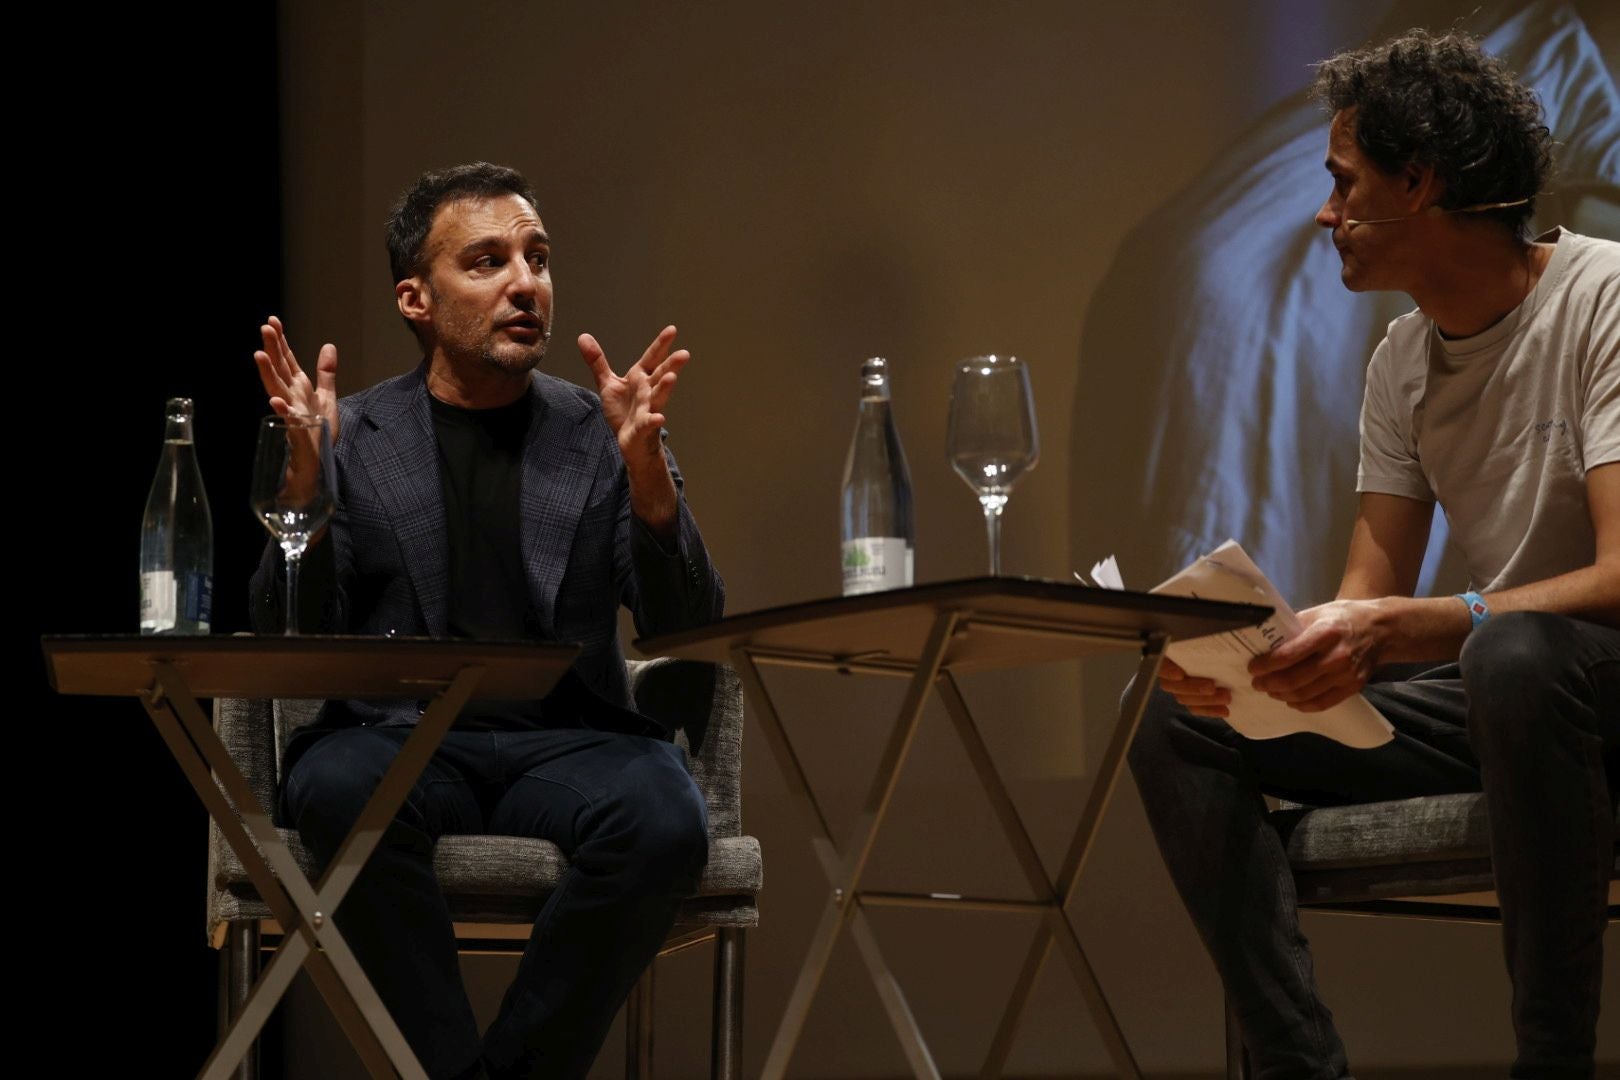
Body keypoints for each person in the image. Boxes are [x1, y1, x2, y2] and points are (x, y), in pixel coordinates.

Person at [1126, 29, 1618, 1079]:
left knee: (1512, 656)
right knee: (1180, 728)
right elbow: (1370, 599)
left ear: (1420, 182)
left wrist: (1432, 626)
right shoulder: (1402, 357)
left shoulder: (1602, 300)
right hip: (1501, 697)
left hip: (1587, 692)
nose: (1323, 213)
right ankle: (1304, 1067)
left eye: (1344, 185)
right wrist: (1275, 652)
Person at [248, 161, 724, 1080]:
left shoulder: (602, 431)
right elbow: (293, 641)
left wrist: (654, 494)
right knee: (333, 786)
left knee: (666, 812)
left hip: (568, 743)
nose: (525, 283)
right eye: (489, 261)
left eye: (538, 259)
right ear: (416, 299)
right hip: (400, 739)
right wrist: (305, 488)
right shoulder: (354, 432)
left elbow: (685, 630)